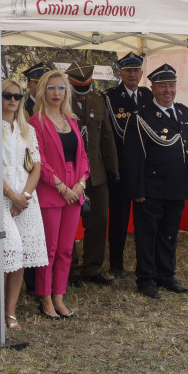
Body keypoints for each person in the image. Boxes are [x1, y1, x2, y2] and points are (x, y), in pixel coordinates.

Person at [0, 79, 48, 330]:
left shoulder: (28, 130)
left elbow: (36, 167)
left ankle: (10, 312)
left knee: (20, 256)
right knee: (3, 256)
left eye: (17, 96)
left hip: (26, 197)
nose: (12, 100)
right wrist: (12, 196)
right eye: (6, 95)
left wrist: (23, 197)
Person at [122, 63, 188, 299]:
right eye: (163, 85)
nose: (168, 90)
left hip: (177, 187)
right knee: (147, 236)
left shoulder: (185, 113)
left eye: (171, 85)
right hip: (151, 189)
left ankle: (166, 275)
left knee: (169, 234)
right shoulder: (141, 117)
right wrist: (137, 190)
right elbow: (132, 158)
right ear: (152, 88)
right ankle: (146, 279)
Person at [30, 70, 90, 318]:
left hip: (74, 193)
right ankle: (44, 299)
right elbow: (39, 161)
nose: (57, 93)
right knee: (49, 249)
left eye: (61, 88)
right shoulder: (36, 122)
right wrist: (61, 187)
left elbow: (83, 157)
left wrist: (80, 185)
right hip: (51, 193)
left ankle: (59, 296)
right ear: (43, 90)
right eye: (51, 88)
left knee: (66, 249)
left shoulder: (72, 120)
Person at [66, 58, 120, 286]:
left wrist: (113, 167)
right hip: (69, 175)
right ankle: (71, 270)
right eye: (77, 89)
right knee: (68, 224)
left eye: (85, 89)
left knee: (98, 221)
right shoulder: (59, 102)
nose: (81, 94)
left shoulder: (98, 102)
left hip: (96, 174)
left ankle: (92, 268)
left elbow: (107, 137)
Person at [104, 52, 153, 278]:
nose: (133, 74)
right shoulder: (110, 97)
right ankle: (116, 264)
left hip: (144, 170)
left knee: (146, 219)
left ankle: (146, 263)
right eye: (128, 70)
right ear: (120, 73)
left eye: (136, 70)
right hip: (121, 169)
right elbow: (109, 135)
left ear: (141, 73)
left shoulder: (148, 96)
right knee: (119, 220)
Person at [20, 61, 50, 294]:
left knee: (45, 233)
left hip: (50, 177)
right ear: (29, 85)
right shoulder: (21, 108)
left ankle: (46, 279)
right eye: (36, 82)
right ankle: (31, 282)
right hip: (27, 176)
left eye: (44, 83)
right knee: (29, 232)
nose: (40, 87)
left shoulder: (52, 108)